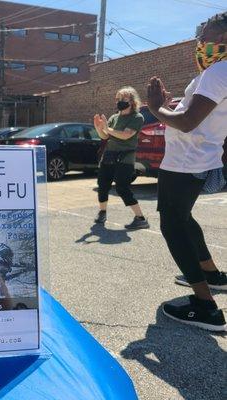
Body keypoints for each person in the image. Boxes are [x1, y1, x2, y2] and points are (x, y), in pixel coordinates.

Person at [146, 11, 226, 331]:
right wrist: (173, 106)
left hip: (185, 164)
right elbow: (201, 116)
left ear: (221, 40)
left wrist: (156, 108)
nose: (199, 43)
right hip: (198, 162)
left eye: (204, 37)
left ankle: (205, 306)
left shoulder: (217, 73)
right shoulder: (217, 74)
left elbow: (189, 122)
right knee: (183, 218)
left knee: (172, 224)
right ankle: (211, 274)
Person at [93, 87, 149, 230]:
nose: (118, 102)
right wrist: (99, 128)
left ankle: (141, 218)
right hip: (109, 155)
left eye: (122, 99)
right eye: (117, 99)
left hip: (125, 158)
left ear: (131, 101)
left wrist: (107, 129)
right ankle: (102, 212)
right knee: (103, 184)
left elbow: (126, 135)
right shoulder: (114, 117)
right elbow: (105, 136)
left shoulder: (137, 117)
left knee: (122, 187)